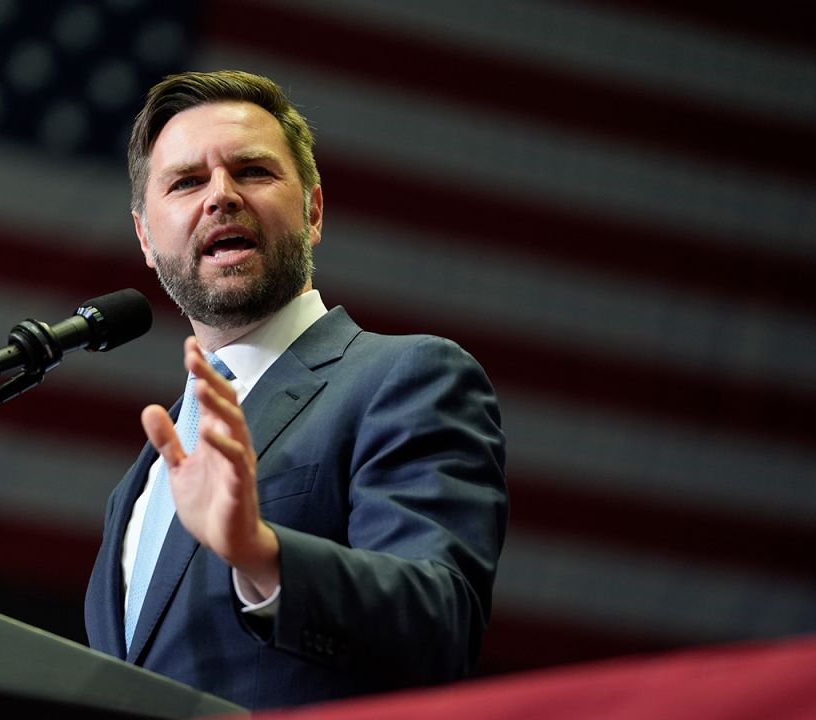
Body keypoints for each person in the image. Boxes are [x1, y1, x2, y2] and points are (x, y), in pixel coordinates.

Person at [83, 70, 508, 710]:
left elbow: (439, 621)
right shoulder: (135, 492)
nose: (220, 197)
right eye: (187, 181)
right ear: (146, 238)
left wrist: (260, 554)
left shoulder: (406, 378)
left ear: (312, 210)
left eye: (252, 171)